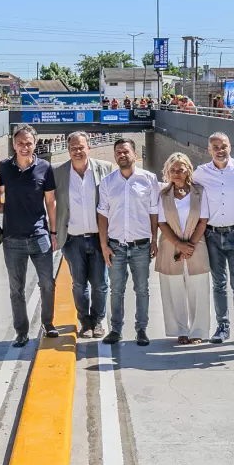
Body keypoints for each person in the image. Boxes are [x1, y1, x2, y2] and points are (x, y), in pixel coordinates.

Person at [0, 124, 59, 347]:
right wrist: (3, 207)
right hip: (12, 239)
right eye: (20, 143)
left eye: (28, 143)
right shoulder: (4, 167)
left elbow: (50, 202)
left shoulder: (45, 167)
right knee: (17, 289)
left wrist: (53, 232)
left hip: (40, 235)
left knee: (48, 284)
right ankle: (21, 332)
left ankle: (48, 323)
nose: (24, 146)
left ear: (35, 144)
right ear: (14, 144)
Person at [97, 138, 160, 346]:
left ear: (135, 154)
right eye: (118, 152)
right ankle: (116, 329)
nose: (121, 155)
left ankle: (141, 329)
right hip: (116, 246)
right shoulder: (107, 183)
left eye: (125, 152)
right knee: (117, 290)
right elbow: (103, 215)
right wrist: (104, 245)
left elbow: (153, 212)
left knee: (142, 289)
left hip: (141, 245)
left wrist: (154, 240)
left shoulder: (149, 179)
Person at [54, 131, 116, 338]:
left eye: (81, 147)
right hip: (73, 239)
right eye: (73, 148)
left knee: (100, 284)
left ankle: (98, 321)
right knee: (79, 285)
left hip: (99, 239)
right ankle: (85, 323)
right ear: (68, 150)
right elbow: (49, 202)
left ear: (89, 147)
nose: (77, 151)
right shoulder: (59, 173)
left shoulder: (104, 169)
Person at [193, 132, 234, 347]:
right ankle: (222, 327)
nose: (220, 150)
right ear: (209, 150)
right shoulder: (201, 173)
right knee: (219, 284)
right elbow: (179, 183)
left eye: (224, 146)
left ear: (230, 147)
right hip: (212, 235)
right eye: (215, 147)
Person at [156, 153, 211, 345]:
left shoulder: (200, 192)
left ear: (188, 170)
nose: (177, 173)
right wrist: (179, 245)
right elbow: (162, 223)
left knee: (198, 288)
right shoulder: (163, 195)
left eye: (181, 169)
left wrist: (190, 246)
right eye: (173, 170)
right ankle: (181, 330)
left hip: (197, 245)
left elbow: (203, 222)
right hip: (170, 246)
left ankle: (198, 331)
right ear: (168, 172)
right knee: (175, 289)